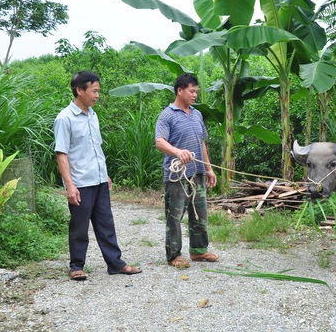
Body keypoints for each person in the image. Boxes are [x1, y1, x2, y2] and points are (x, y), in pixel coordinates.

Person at [54, 71, 142, 281]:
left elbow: (96, 147)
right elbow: (61, 154)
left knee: (106, 224)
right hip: (81, 182)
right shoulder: (65, 118)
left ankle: (115, 264)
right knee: (79, 226)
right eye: (94, 91)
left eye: (98, 91)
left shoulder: (93, 115)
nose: (97, 95)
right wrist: (70, 186)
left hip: (99, 179)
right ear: (79, 90)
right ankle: (76, 266)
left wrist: (106, 173)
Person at [155, 73, 218, 268]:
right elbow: (159, 142)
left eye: (196, 92)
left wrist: (209, 169)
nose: (195, 95)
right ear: (179, 90)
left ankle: (199, 251)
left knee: (200, 212)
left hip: (197, 172)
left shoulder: (197, 114)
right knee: (175, 216)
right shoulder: (167, 115)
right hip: (177, 175)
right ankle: (174, 255)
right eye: (191, 91)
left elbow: (202, 142)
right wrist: (177, 152)